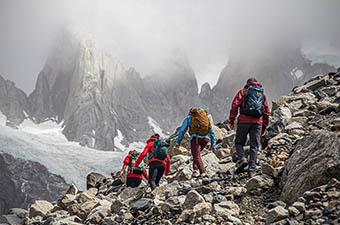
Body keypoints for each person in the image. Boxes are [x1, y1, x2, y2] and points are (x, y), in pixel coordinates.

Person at [229, 78, 270, 177]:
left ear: (247, 84)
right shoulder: (262, 94)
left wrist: (232, 120)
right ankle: (252, 170)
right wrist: (264, 127)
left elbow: (235, 105)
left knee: (239, 143)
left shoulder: (243, 92)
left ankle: (242, 159)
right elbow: (266, 112)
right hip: (257, 123)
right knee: (254, 146)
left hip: (243, 121)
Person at [176, 107, 216, 177]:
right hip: (205, 139)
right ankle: (195, 170)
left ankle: (203, 172)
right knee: (196, 154)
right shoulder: (206, 118)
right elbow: (212, 132)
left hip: (196, 139)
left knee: (196, 156)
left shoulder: (189, 118)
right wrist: (213, 144)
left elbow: (182, 131)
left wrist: (178, 142)